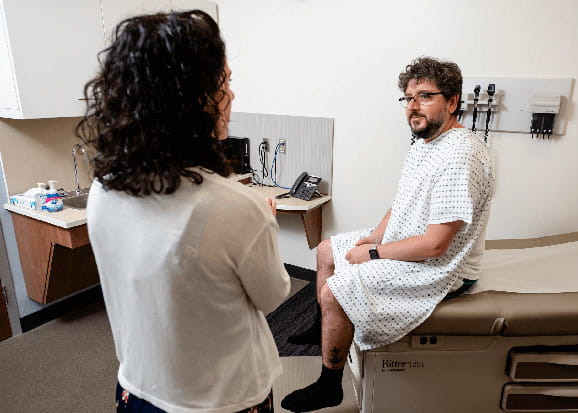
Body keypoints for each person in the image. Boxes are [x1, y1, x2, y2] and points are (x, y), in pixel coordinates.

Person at [76, 10, 290, 413]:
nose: (231, 95)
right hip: (223, 400)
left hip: (137, 390)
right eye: (224, 83)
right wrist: (268, 224)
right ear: (196, 100)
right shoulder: (237, 207)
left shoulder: (104, 190)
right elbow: (274, 294)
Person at [281, 56, 495, 412]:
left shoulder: (461, 157)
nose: (413, 107)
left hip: (443, 268)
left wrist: (375, 254)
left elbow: (437, 244)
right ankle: (323, 328)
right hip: (410, 240)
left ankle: (329, 383)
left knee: (337, 289)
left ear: (453, 101)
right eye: (408, 98)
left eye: (425, 96)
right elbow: (401, 203)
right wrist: (375, 237)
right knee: (326, 249)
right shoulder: (426, 142)